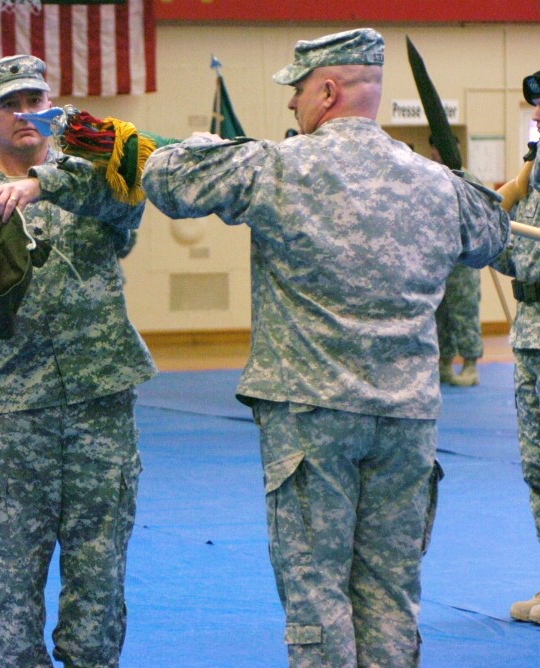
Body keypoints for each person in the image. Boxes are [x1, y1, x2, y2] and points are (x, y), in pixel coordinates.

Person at [142, 28, 510, 667]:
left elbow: (165, 177)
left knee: (316, 599)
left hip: (312, 419)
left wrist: (204, 144)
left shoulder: (277, 166)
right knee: (393, 594)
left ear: (329, 90)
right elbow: (492, 234)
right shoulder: (436, 183)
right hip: (407, 421)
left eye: (298, 91)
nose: (291, 106)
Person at [0, 54, 156, 667]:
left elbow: (129, 208)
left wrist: (61, 170)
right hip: (12, 419)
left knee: (99, 592)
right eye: (11, 105)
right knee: (14, 596)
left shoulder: (92, 184)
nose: (25, 115)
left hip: (100, 408)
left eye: (36, 102)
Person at [490, 69, 540, 625]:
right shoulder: (535, 172)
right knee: (538, 471)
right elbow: (514, 257)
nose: (538, 117)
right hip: (530, 334)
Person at [428, 137, 484, 386]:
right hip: (439, 259)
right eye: (434, 149)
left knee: (464, 312)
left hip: (463, 260)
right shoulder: (429, 178)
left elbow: (484, 211)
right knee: (441, 314)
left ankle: (471, 364)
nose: (435, 153)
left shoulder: (468, 180)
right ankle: (445, 364)